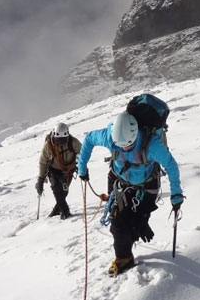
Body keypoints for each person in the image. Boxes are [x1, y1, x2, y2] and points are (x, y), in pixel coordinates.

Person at [77, 112, 183, 276]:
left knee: (131, 223)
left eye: (127, 145)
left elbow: (171, 165)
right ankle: (124, 256)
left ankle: (132, 236)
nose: (123, 149)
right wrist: (82, 169)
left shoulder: (152, 144)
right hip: (119, 181)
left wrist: (176, 194)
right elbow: (89, 139)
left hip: (146, 187)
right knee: (118, 222)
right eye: (119, 146)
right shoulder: (109, 137)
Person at [36, 122, 82, 219]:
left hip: (68, 171)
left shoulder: (73, 142)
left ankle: (57, 210)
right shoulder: (48, 145)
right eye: (58, 140)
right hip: (54, 170)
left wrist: (80, 164)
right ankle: (65, 211)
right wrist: (40, 179)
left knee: (63, 192)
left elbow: (82, 152)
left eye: (63, 140)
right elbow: (43, 162)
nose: (60, 142)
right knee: (57, 190)